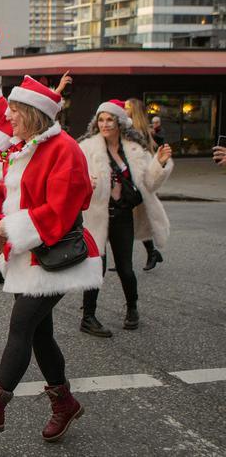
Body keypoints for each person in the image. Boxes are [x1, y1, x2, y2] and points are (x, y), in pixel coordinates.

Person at [0, 28, 102, 442]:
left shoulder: (64, 150)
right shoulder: (24, 142)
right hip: (32, 253)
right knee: (39, 332)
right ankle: (64, 402)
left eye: (17, 112)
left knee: (22, 325)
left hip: (58, 254)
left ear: (33, 114)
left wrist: (12, 228)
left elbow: (60, 210)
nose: (9, 118)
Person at [78, 100, 173, 337]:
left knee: (125, 269)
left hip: (122, 215)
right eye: (101, 119)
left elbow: (149, 184)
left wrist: (160, 163)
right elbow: (74, 178)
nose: (105, 124)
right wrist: (86, 184)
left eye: (110, 119)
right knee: (95, 267)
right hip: (96, 215)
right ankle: (88, 317)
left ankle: (132, 309)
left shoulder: (133, 149)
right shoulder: (87, 148)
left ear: (120, 122)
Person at [126, 98, 164, 271]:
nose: (124, 109)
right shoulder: (128, 127)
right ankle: (125, 258)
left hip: (137, 179)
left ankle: (151, 252)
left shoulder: (138, 131)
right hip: (127, 178)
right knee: (130, 220)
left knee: (138, 219)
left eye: (127, 107)